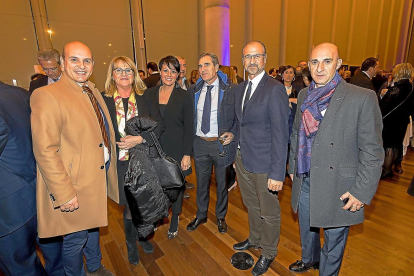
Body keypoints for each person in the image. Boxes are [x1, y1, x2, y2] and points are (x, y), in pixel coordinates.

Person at [288, 43, 384, 275]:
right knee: (307, 227)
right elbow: (296, 132)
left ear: (339, 64)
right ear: (308, 66)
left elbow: (372, 151)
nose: (319, 68)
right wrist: (293, 166)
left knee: (334, 241)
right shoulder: (303, 94)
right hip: (305, 176)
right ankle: (310, 258)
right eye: (314, 62)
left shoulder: (361, 97)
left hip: (339, 184)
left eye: (327, 61)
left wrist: (361, 191)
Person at [31, 41, 119, 276]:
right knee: (75, 239)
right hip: (74, 185)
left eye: (87, 60)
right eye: (74, 59)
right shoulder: (47, 95)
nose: (82, 65)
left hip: (94, 176)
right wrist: (64, 193)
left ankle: (94, 266)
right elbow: (45, 150)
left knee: (92, 228)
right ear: (62, 63)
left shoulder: (90, 89)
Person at [232, 41, 289, 276]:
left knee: (269, 210)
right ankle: (254, 238)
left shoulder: (274, 88)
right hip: (243, 159)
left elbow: (280, 133)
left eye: (257, 56)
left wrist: (278, 172)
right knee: (251, 205)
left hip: (265, 163)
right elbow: (241, 123)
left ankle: (268, 251)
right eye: (247, 57)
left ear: (265, 59)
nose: (252, 61)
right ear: (243, 61)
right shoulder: (241, 88)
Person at [102, 56, 164, 265]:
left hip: (143, 161)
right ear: (112, 74)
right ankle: (131, 243)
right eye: (118, 70)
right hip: (120, 163)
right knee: (130, 206)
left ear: (134, 74)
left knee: (143, 204)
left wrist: (140, 138)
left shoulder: (145, 97)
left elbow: (159, 125)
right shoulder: (104, 99)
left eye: (128, 70)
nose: (124, 74)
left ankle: (142, 236)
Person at [0, 81, 64, 276]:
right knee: (56, 257)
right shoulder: (19, 93)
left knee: (22, 268)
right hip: (40, 192)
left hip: (10, 210)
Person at [186, 52, 236, 234]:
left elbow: (237, 118)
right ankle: (201, 214)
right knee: (201, 183)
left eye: (207, 65)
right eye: (200, 66)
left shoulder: (230, 89)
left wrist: (232, 133)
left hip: (220, 144)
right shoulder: (193, 90)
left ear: (216, 67)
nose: (202, 69)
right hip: (200, 144)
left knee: (222, 184)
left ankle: (221, 216)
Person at [146, 56, 194, 239]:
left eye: (173, 71)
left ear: (178, 74)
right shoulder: (150, 94)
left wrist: (186, 154)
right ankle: (159, 216)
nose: (169, 75)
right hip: (155, 149)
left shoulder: (184, 96)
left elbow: (189, 126)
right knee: (157, 187)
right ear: (159, 71)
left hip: (177, 149)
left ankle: (174, 218)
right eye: (165, 70)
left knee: (176, 186)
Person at [379, 63, 414, 179]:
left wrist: (383, 95)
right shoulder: (411, 87)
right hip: (403, 121)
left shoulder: (397, 88)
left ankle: (386, 170)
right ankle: (389, 169)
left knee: (388, 146)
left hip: (390, 121)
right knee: (395, 146)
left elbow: (384, 106)